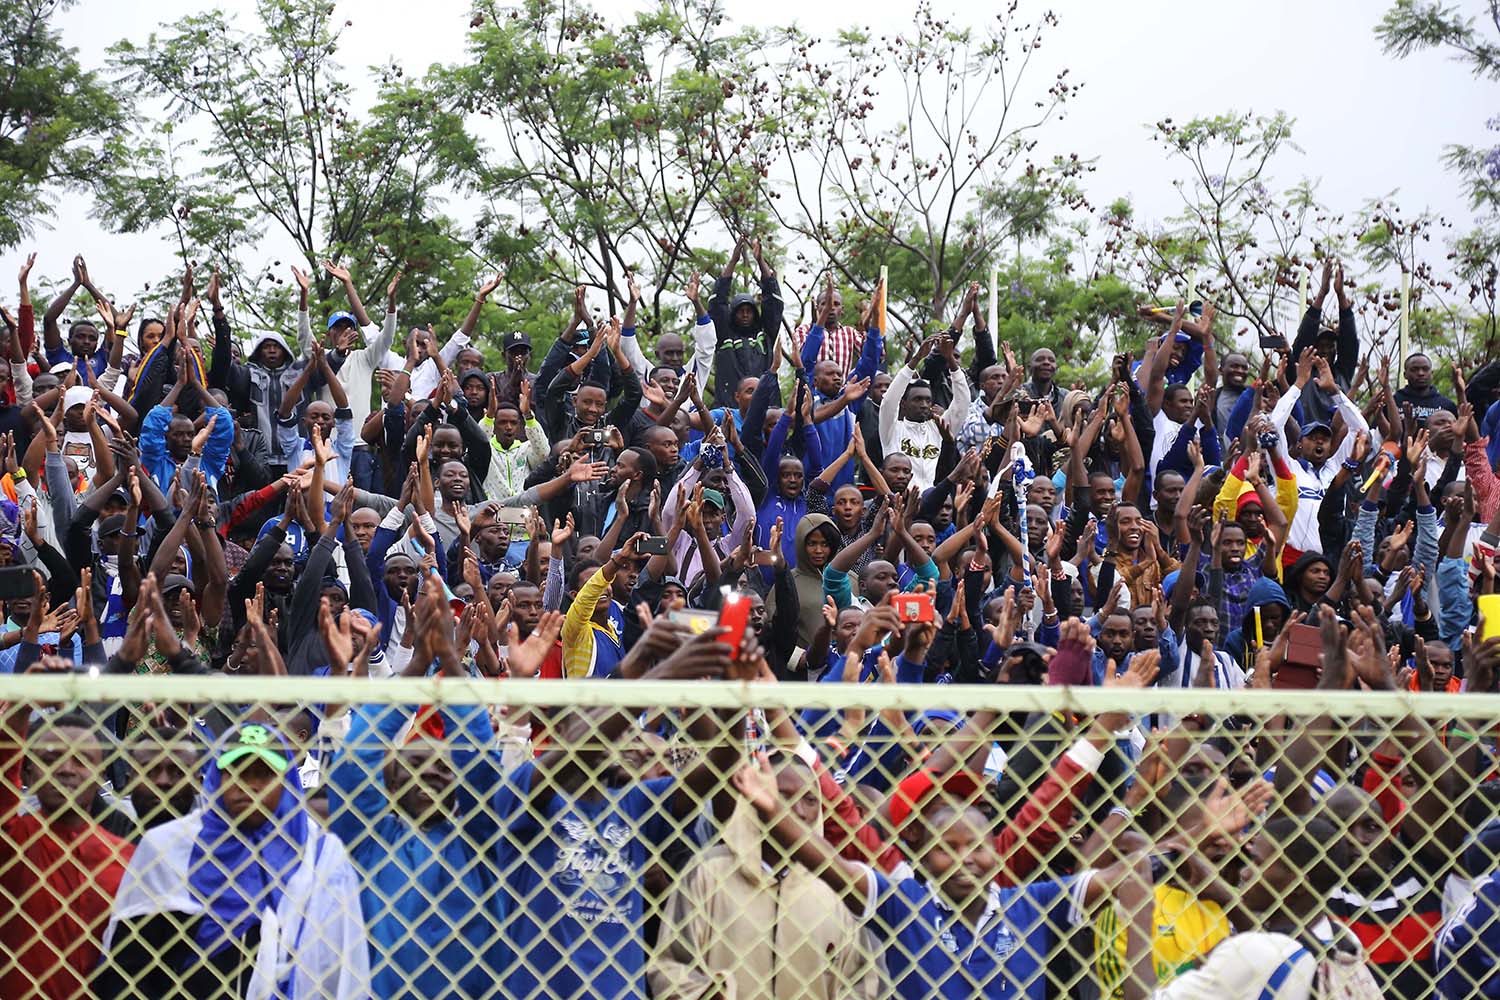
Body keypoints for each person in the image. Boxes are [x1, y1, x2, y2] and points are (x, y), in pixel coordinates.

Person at [95, 722, 370, 998]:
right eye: (238, 772)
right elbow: (128, 967)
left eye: (263, 774)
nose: (249, 785)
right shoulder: (169, 848)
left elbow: (341, 968)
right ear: (217, 778)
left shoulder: (319, 855)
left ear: (286, 782)